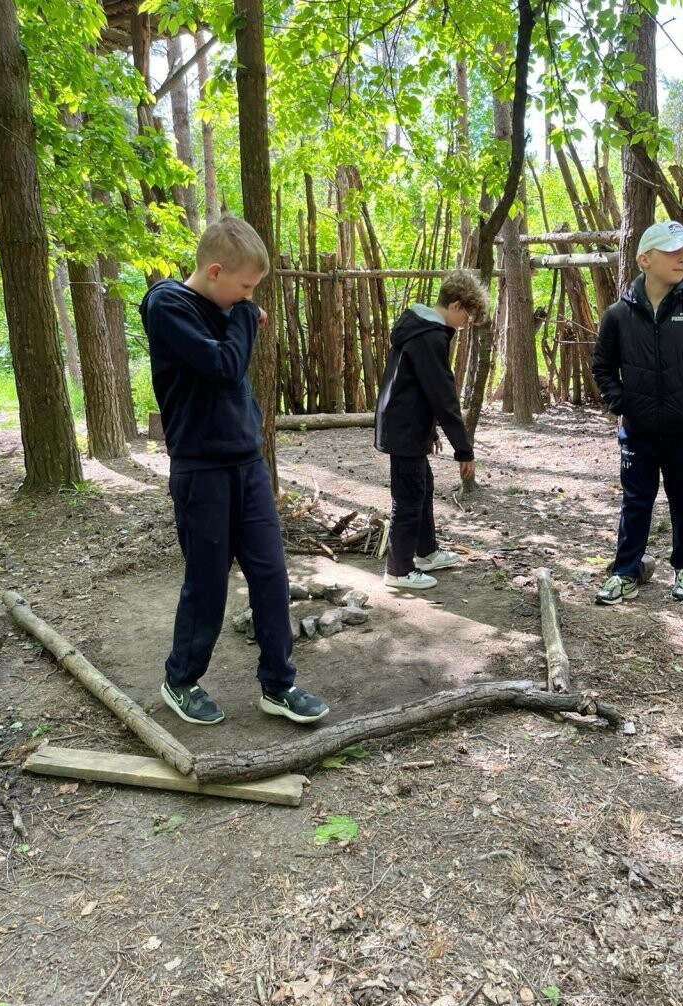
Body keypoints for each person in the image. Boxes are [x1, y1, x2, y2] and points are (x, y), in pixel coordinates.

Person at [140, 216, 328, 725]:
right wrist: (244, 316)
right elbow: (223, 368)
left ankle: (278, 684)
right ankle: (181, 680)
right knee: (208, 583)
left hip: (247, 465)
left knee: (271, 575)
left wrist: (239, 312)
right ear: (216, 271)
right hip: (201, 470)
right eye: (244, 287)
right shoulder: (168, 305)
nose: (249, 297)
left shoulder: (227, 309)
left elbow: (230, 361)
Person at [592, 220, 683, 606]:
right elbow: (602, 366)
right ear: (644, 260)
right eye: (672, 251)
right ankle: (625, 573)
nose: (682, 257)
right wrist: (622, 403)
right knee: (636, 501)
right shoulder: (618, 314)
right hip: (637, 430)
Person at [374, 269, 490, 590]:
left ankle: (426, 552)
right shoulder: (429, 336)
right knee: (409, 496)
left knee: (422, 486)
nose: (466, 323)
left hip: (408, 424)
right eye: (467, 315)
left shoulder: (420, 329)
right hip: (404, 428)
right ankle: (398, 570)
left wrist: (432, 430)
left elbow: (417, 387)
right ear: (455, 305)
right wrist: (463, 450)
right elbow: (443, 396)